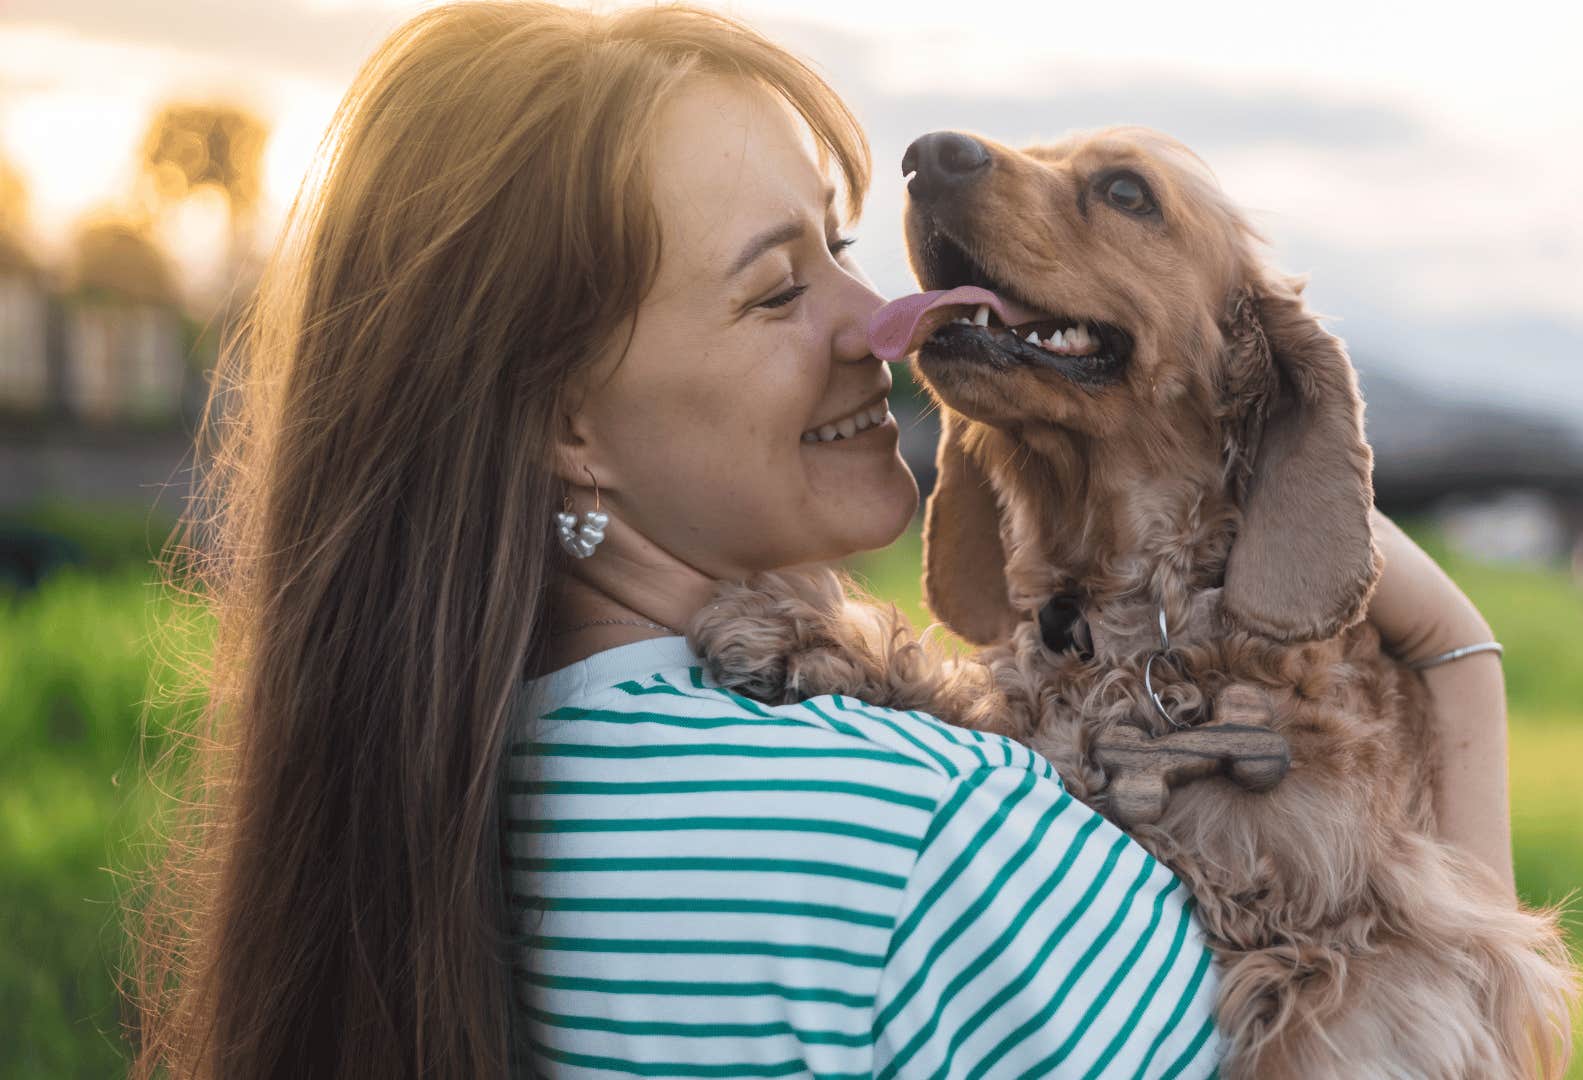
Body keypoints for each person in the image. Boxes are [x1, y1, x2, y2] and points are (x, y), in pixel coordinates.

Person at [133, 3, 1513, 1077]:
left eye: (845, 248)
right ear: (566, 421)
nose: (876, 320)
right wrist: (1455, 657)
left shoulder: (445, 778)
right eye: (777, 287)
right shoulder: (939, 845)